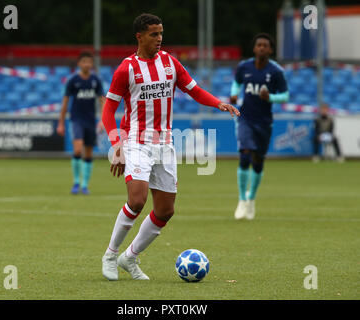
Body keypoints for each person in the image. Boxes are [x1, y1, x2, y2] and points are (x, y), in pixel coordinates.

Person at [101, 13, 240, 281]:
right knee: (137, 199)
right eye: (154, 34)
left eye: (161, 33)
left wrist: (218, 103)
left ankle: (129, 257)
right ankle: (110, 254)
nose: (159, 39)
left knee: (166, 210)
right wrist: (116, 144)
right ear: (139, 36)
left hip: (165, 143)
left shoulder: (170, 62)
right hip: (136, 142)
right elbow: (108, 110)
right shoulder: (126, 69)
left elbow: (194, 89)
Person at [230, 33, 289, 220]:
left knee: (257, 160)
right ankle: (241, 200)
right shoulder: (244, 66)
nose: (262, 48)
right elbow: (237, 82)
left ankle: (251, 199)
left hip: (264, 122)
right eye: (259, 45)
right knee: (245, 154)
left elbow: (285, 96)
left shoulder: (276, 72)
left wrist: (270, 97)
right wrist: (233, 94)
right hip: (245, 117)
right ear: (254, 48)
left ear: (270, 50)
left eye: (265, 45)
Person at [57, 51, 106, 195]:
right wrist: (61, 123)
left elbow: (102, 100)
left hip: (90, 121)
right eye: (84, 62)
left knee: (89, 153)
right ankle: (76, 182)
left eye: (89, 62)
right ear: (79, 63)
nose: (87, 64)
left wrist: (102, 120)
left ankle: (85, 185)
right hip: (76, 120)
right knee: (78, 150)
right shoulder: (73, 81)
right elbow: (65, 103)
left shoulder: (96, 81)